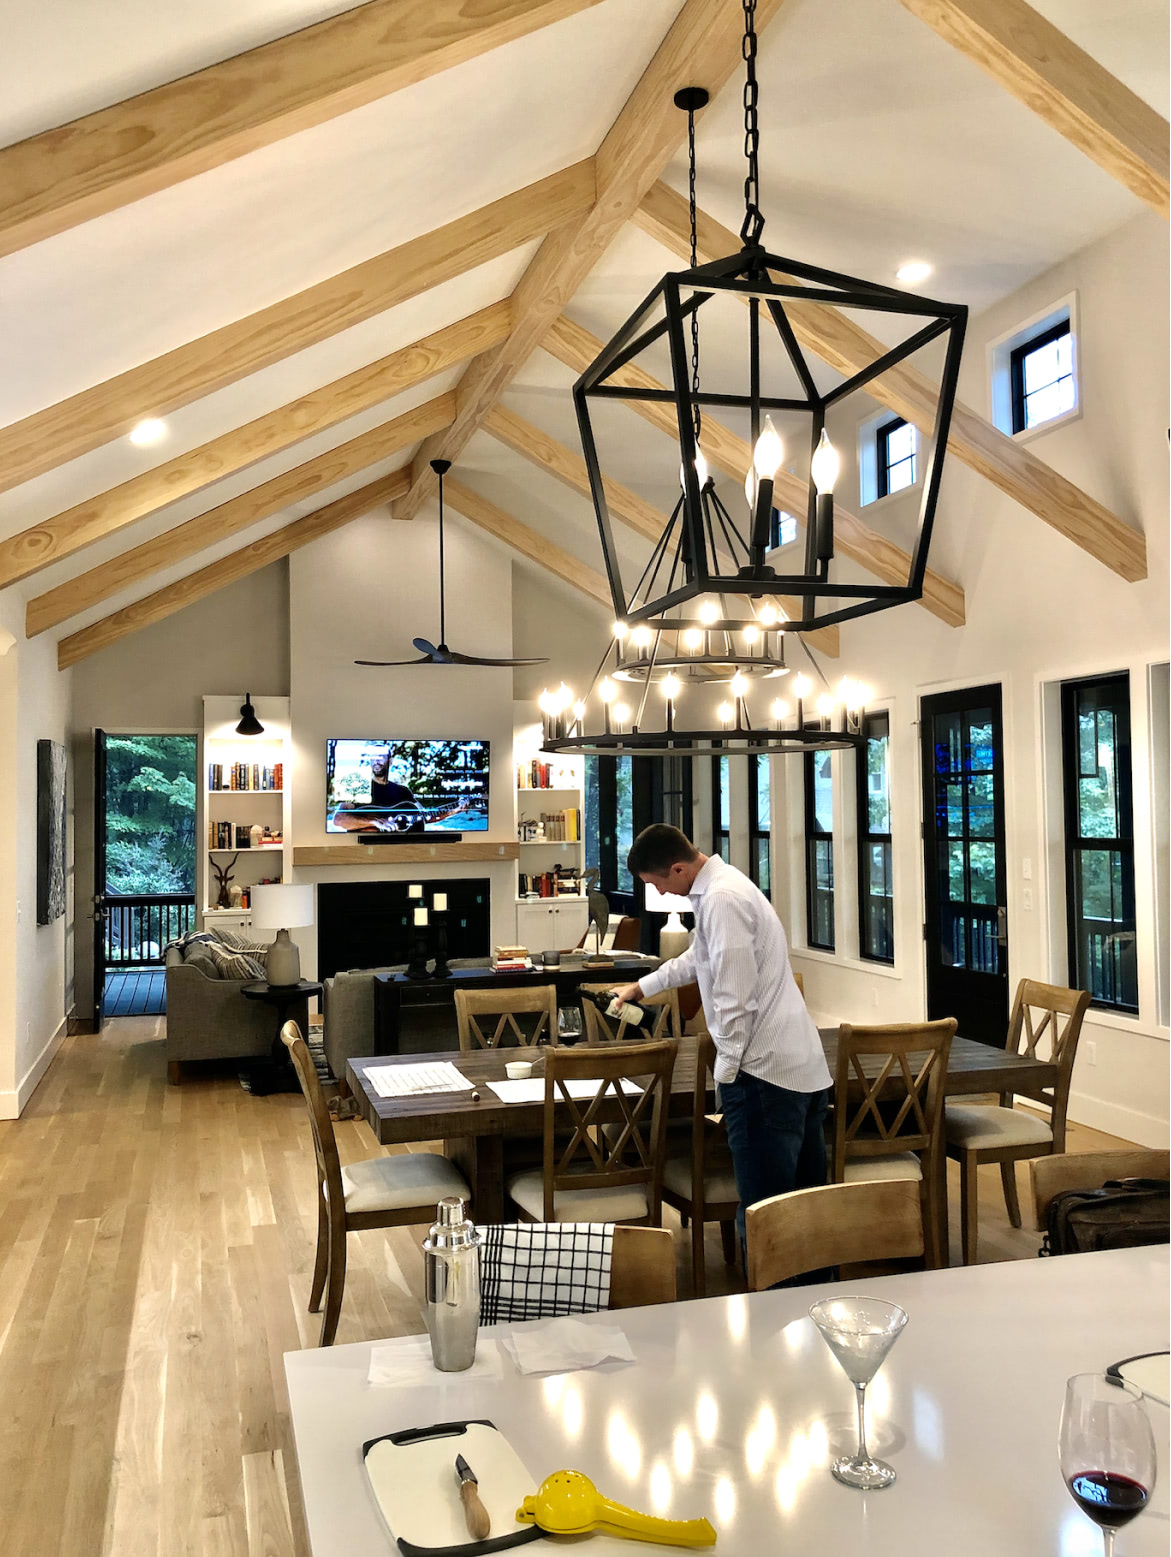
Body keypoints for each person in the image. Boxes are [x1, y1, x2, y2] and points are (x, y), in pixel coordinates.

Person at [612, 823, 831, 1259]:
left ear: (678, 868)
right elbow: (701, 956)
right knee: (805, 1212)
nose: (662, 894)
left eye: (658, 884)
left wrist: (726, 1075)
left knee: (764, 1218)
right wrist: (644, 986)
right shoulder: (726, 887)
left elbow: (735, 1001)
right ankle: (807, 1309)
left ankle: (768, 1317)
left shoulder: (721, 899)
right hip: (799, 1069)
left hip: (763, 1076)